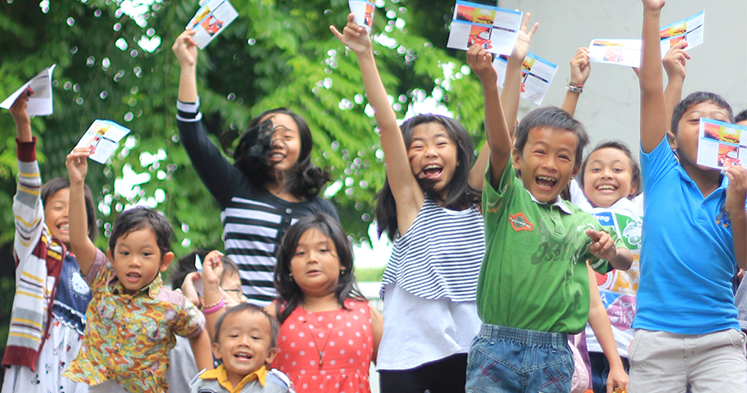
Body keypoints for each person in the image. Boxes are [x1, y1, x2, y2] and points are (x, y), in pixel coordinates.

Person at [330, 12, 503, 392]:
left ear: (460, 154)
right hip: (409, 350)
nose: (429, 152)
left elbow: (501, 136)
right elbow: (388, 125)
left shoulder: (479, 199)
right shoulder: (412, 204)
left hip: (469, 344)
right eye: (417, 146)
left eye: (441, 143)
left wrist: (502, 74)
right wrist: (364, 55)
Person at [464, 42, 633, 392]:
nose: (549, 163)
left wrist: (610, 251)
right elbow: (497, 143)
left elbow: (624, 258)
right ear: (517, 159)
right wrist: (494, 77)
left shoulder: (579, 221)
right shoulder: (507, 201)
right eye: (538, 152)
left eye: (562, 158)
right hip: (496, 349)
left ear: (574, 170)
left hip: (555, 354)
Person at [172, 29, 339, 306]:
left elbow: (338, 272)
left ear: (303, 148)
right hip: (238, 326)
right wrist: (188, 67)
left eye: (287, 136)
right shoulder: (234, 187)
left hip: (296, 328)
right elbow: (193, 135)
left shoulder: (320, 209)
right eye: (268, 135)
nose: (277, 143)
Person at [630, 0, 747, 391]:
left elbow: (744, 263)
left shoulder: (740, 190)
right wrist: (651, 14)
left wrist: (737, 206)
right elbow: (649, 91)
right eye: (694, 121)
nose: (706, 128)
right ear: (672, 137)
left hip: (720, 342)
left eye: (719, 124)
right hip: (655, 341)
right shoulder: (661, 172)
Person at [61, 148, 213, 393]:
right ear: (111, 257)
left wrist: (207, 384)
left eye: (145, 254)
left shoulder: (173, 304)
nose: (134, 262)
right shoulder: (103, 279)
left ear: (164, 261)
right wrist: (77, 183)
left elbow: (198, 332)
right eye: (125, 253)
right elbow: (79, 239)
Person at [200, 213, 383, 393]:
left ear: (343, 261)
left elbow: (397, 368)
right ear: (289, 266)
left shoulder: (366, 315)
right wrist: (211, 286)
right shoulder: (275, 314)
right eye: (301, 253)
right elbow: (224, 338)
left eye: (322, 250)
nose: (311, 258)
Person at [2, 94, 97, 393]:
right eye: (58, 206)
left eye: (75, 205)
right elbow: (28, 193)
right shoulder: (35, 248)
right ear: (43, 215)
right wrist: (23, 126)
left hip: (81, 369)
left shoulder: (96, 269)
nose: (68, 212)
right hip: (38, 359)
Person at [167, 251, 246, 392]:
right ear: (203, 293)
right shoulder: (175, 345)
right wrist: (190, 304)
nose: (243, 299)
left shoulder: (243, 344)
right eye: (236, 290)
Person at [190, 303, 292, 393]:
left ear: (270, 354)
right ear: (217, 349)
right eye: (234, 335)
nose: (244, 343)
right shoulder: (203, 385)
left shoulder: (277, 387)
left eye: (254, 337)